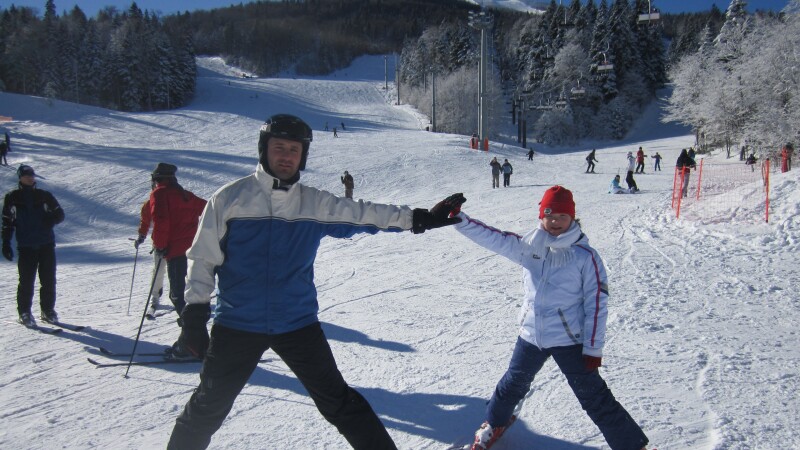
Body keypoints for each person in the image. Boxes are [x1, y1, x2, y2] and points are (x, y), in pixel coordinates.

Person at [166, 114, 461, 450]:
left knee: (340, 402)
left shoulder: (313, 203)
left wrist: (418, 218)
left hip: (296, 323)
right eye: (279, 148)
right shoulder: (230, 200)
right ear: (264, 150)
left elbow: (364, 213)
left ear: (302, 156)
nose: (286, 156)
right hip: (237, 324)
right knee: (206, 409)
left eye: (294, 150)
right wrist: (193, 316)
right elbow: (204, 259)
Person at [433, 187, 649, 450]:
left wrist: (593, 348)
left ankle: (631, 445)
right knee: (511, 384)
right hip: (531, 335)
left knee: (594, 397)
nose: (555, 221)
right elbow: (494, 238)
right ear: (541, 216)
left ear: (572, 217)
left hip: (570, 340)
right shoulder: (530, 247)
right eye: (549, 215)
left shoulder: (585, 257)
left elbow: (596, 304)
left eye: (561, 216)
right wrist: (459, 219)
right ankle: (493, 423)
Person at [148, 162, 207, 348]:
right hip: (193, 250)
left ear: (158, 179)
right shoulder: (185, 195)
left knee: (178, 296)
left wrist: (160, 246)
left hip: (175, 251)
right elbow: (208, 209)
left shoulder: (160, 194)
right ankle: (198, 339)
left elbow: (161, 222)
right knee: (189, 294)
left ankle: (192, 342)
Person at [2, 165, 65, 327]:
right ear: (20, 178)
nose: (30, 178)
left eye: (32, 175)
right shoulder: (13, 198)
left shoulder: (44, 196)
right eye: (26, 175)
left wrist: (50, 220)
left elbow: (60, 214)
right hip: (26, 246)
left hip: (46, 244)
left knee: (48, 280)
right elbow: (7, 223)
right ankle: (25, 312)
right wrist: (6, 243)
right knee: (26, 281)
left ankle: (48, 311)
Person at [134, 188, 167, 319]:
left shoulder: (178, 197)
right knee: (158, 271)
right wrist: (142, 235)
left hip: (177, 243)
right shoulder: (150, 203)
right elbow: (145, 220)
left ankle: (182, 296)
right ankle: (155, 297)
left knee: (178, 271)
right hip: (160, 243)